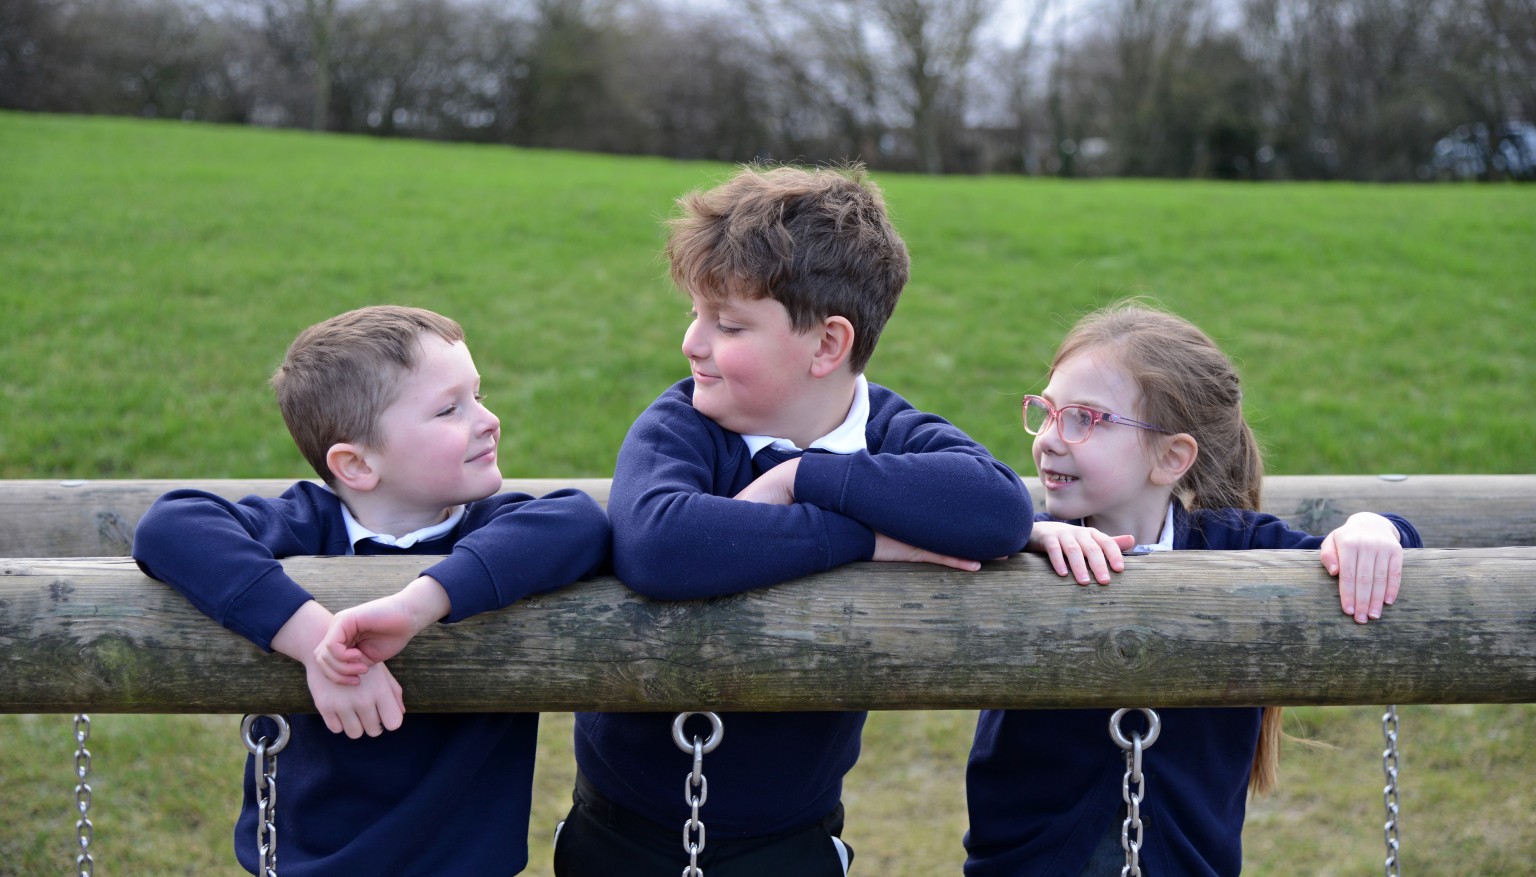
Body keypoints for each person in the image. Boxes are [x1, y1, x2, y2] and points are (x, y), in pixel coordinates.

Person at [552, 164, 1035, 877]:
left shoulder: (888, 431)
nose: (693, 342)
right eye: (695, 313)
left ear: (827, 345)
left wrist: (803, 476)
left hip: (793, 839)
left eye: (728, 323)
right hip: (624, 832)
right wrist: (865, 540)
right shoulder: (683, 421)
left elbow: (998, 509)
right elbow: (662, 546)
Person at [132, 305, 610, 876]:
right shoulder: (305, 524)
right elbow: (171, 526)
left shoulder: (491, 528)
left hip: (465, 862)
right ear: (356, 464)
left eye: (478, 396)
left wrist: (418, 605)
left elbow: (579, 522)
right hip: (314, 860)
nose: (488, 419)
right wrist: (318, 644)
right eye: (449, 409)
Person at [963, 301, 1422, 877]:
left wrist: (1375, 530)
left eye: (1084, 418)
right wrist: (1022, 536)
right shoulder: (1025, 541)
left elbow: (1395, 547)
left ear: (1171, 456)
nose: (1051, 440)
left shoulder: (1236, 547)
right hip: (1031, 862)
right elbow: (946, 532)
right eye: (1047, 412)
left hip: (1187, 862)